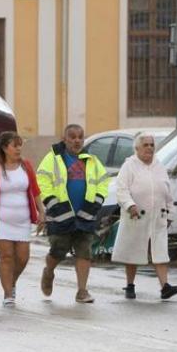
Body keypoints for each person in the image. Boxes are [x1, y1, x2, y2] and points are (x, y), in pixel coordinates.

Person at [37, 124, 109, 303]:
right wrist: (53, 205)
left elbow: (103, 182)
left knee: (84, 252)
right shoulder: (52, 159)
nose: (77, 140)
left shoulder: (91, 160)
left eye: (80, 137)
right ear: (65, 139)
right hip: (60, 215)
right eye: (73, 137)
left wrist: (95, 203)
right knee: (58, 252)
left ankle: (82, 291)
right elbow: (42, 181)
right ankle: (49, 271)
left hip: (85, 215)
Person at [0, 131, 46, 306]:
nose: (18, 149)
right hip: (0, 222)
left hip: (22, 222)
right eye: (15, 146)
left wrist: (41, 212)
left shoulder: (26, 166)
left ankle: (11, 282)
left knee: (23, 258)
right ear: (4, 148)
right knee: (7, 257)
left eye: (20, 145)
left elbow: (35, 191)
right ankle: (8, 294)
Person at [112, 133, 177, 300]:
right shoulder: (129, 166)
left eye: (152, 145)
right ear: (137, 148)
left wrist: (170, 211)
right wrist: (130, 205)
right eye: (146, 145)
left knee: (160, 252)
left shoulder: (159, 166)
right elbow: (121, 190)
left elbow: (167, 192)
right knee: (133, 251)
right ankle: (130, 285)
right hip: (136, 217)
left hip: (158, 217)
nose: (150, 148)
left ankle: (165, 287)